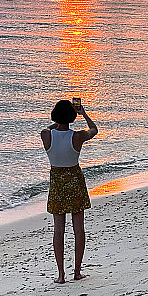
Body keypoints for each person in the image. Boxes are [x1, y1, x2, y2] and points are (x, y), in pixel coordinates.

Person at [41, 99, 98, 284]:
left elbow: (51, 128)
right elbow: (94, 129)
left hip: (57, 184)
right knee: (78, 230)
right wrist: (84, 113)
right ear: (73, 117)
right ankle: (77, 271)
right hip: (75, 182)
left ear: (55, 116)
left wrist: (58, 120)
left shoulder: (46, 135)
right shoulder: (77, 136)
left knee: (59, 232)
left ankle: (61, 275)